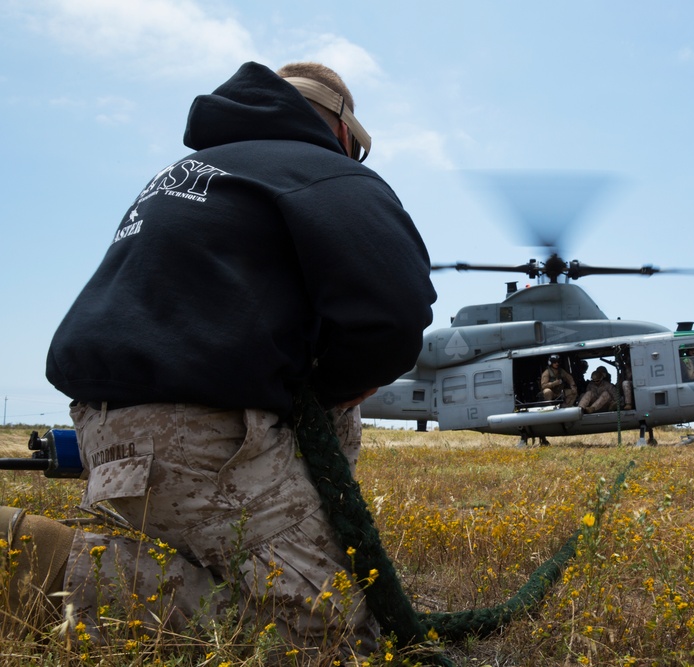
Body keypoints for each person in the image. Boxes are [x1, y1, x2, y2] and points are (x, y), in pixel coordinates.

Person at [4, 61, 436, 660]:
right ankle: (33, 559)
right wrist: (334, 388)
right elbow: (395, 311)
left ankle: (108, 563)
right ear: (343, 132)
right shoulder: (322, 171)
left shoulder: (183, 175)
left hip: (113, 429)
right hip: (203, 437)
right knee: (328, 641)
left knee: (210, 576)